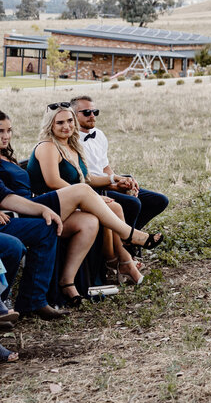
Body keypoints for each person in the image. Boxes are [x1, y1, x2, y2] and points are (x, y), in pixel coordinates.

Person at [25, 104, 163, 304]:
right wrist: (92, 198)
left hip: (70, 205)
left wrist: (114, 180)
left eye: (70, 121)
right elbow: (52, 182)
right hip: (47, 205)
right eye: (60, 122)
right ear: (50, 125)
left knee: (111, 208)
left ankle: (80, 276)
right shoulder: (48, 146)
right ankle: (128, 240)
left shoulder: (72, 146)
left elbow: (86, 179)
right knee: (105, 205)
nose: (66, 126)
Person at [72, 96, 170, 272]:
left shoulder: (99, 135)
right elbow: (84, 178)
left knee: (159, 200)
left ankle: (127, 239)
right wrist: (113, 184)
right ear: (73, 114)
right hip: (92, 188)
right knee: (133, 203)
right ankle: (126, 251)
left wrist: (122, 180)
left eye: (95, 112)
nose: (92, 115)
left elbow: (105, 167)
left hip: (108, 182)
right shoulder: (71, 140)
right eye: (87, 112)